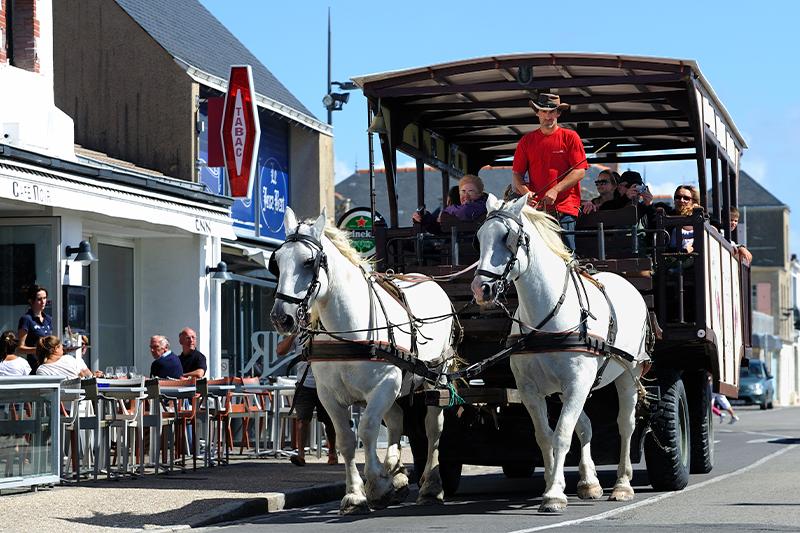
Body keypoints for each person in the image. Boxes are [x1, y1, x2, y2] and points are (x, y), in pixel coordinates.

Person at [511, 93, 588, 249]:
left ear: (558, 113)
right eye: (544, 111)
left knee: (567, 256)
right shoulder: (526, 141)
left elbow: (580, 171)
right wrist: (526, 192)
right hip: (536, 210)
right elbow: (517, 174)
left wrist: (555, 190)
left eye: (552, 111)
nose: (548, 115)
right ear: (537, 112)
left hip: (565, 209)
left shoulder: (570, 137)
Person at [276, 334, 337, 467]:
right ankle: (301, 455)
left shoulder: (325, 334)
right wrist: (293, 334)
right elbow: (280, 351)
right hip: (304, 384)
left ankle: (332, 452)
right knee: (302, 420)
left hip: (325, 384)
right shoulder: (299, 336)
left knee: (329, 421)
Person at [412, 175, 487, 232]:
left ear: (480, 194)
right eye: (463, 191)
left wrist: (446, 213)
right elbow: (441, 229)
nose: (466, 196)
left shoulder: (484, 206)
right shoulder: (455, 214)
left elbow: (465, 211)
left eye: (471, 191)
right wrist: (424, 218)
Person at [17, 285, 54, 373]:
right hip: (35, 366)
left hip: (49, 364)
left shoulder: (48, 319)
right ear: (31, 301)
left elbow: (50, 342)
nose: (43, 302)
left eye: (45, 298)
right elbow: (20, 348)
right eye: (39, 299)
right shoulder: (26, 319)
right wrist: (39, 350)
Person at [671, 185, 702, 252]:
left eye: (686, 198)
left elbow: (715, 225)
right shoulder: (669, 214)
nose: (681, 200)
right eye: (678, 197)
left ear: (694, 201)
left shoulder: (700, 216)